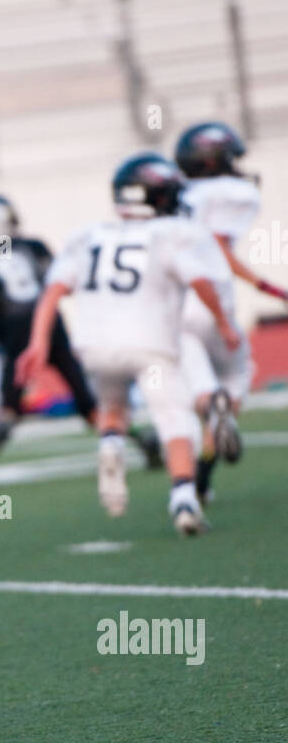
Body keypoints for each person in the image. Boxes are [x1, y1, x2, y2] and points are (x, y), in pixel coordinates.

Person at [16, 154, 239, 535]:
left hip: (94, 346)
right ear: (161, 195)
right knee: (175, 419)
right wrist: (223, 322)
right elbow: (201, 281)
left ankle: (111, 446)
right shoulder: (171, 233)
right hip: (150, 342)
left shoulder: (88, 235)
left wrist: (37, 341)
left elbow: (54, 290)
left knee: (113, 406)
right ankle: (184, 498)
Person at [0, 193, 97, 478]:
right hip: (49, 324)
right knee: (82, 393)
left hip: (14, 334)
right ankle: (122, 437)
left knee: (7, 406)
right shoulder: (32, 248)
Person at [174, 121, 288, 502]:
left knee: (198, 388)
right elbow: (218, 245)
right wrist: (266, 286)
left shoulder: (176, 192)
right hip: (211, 298)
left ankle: (198, 483)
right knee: (237, 376)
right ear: (215, 160)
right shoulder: (234, 192)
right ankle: (207, 461)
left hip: (172, 303)